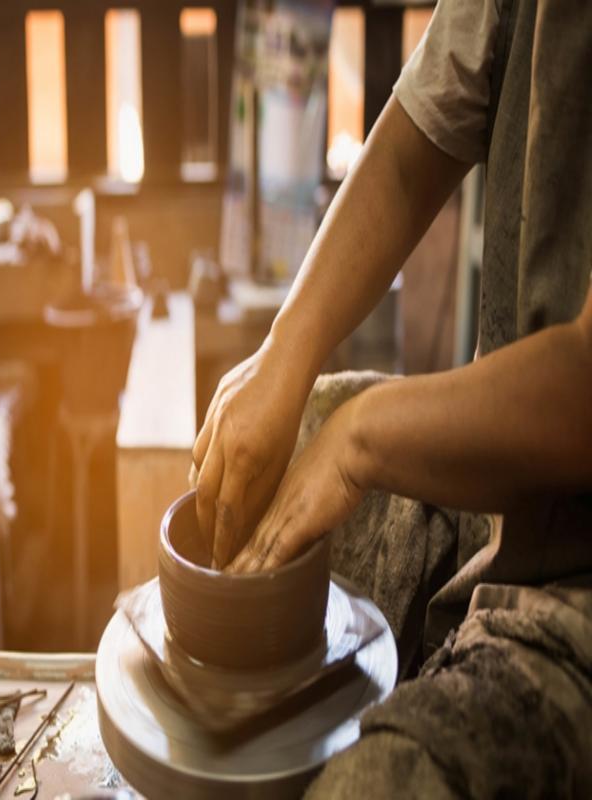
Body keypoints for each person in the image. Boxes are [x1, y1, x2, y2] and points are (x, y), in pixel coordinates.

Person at [192, 0, 592, 795]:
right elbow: (413, 153)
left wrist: (360, 440)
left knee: (380, 779)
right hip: (525, 504)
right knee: (286, 437)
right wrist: (285, 356)